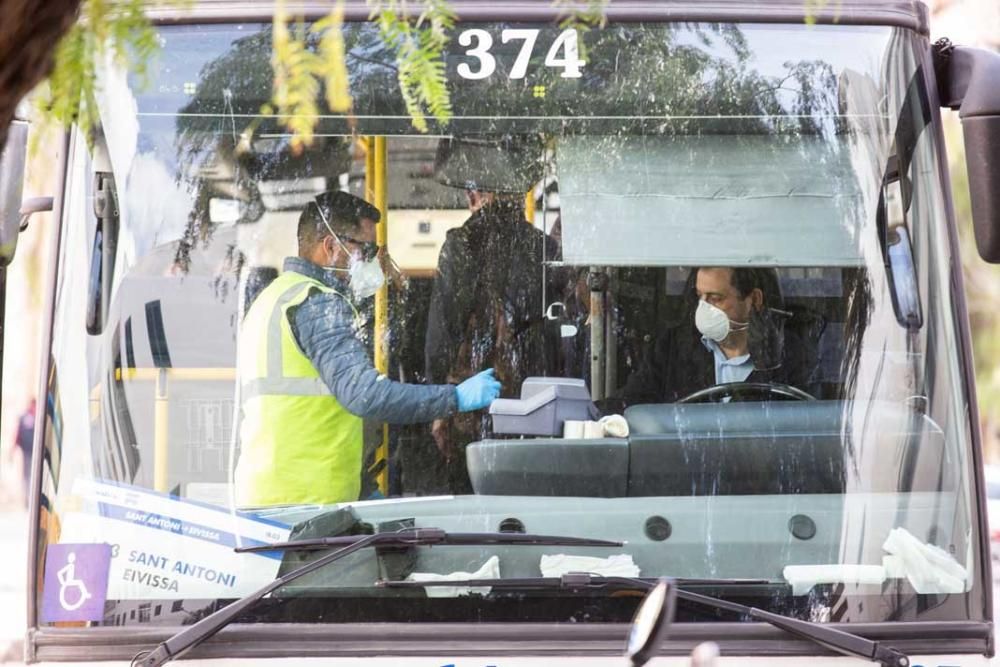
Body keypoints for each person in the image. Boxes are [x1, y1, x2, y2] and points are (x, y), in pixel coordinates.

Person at [234, 190, 501, 508]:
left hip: (271, 494)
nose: (374, 260)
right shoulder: (316, 304)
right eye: (367, 248)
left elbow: (304, 411)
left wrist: (361, 487)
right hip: (307, 504)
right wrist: (454, 397)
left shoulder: (275, 298)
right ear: (331, 247)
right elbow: (364, 394)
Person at [424, 136, 559, 489]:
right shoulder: (545, 247)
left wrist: (438, 406)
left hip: (471, 400)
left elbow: (442, 332)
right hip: (533, 398)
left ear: (474, 196)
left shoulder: (461, 244)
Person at [621, 266, 822, 403]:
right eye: (700, 297)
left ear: (754, 299)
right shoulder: (671, 348)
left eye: (715, 298)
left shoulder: (793, 357)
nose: (704, 308)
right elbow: (630, 402)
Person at [10, 398, 36, 507]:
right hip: (27, 451)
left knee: (31, 475)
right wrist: (13, 449)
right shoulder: (26, 417)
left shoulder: (37, 417)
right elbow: (17, 434)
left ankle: (30, 499)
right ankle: (28, 499)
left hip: (33, 452)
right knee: (27, 475)